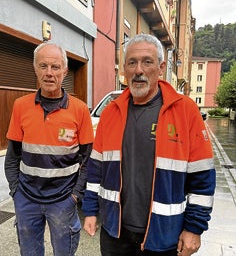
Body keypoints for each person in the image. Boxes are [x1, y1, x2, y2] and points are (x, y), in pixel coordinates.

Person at [82, 34, 216, 256]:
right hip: (115, 234)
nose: (138, 70)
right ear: (124, 68)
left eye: (147, 61)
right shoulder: (110, 114)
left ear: (161, 67)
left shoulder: (185, 111)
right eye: (132, 62)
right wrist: (90, 210)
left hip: (164, 235)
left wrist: (194, 228)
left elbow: (202, 179)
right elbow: (96, 170)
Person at [4, 42, 94, 256]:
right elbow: (12, 156)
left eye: (55, 67)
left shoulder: (80, 110)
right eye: (43, 66)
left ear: (65, 70)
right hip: (26, 199)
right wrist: (16, 191)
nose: (49, 73)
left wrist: (75, 196)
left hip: (63, 201)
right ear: (35, 69)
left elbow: (87, 160)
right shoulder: (21, 106)